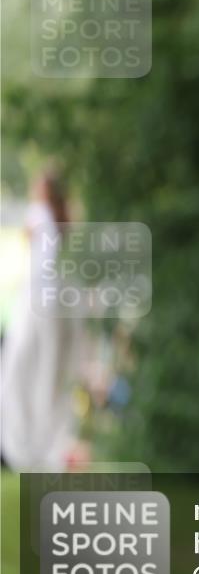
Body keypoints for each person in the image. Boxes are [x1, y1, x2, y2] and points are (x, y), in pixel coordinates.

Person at [1, 165, 89, 471]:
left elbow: (32, 245)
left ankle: (31, 446)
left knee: (26, 372)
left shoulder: (39, 213)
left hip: (39, 301)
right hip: (57, 302)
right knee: (50, 372)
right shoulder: (62, 217)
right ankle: (48, 446)